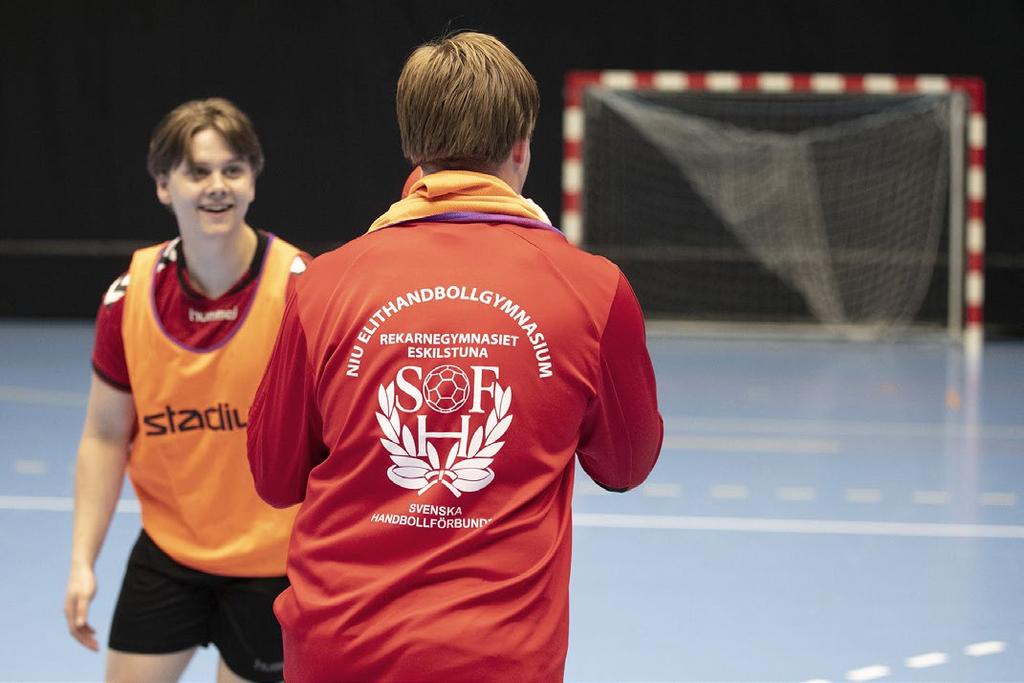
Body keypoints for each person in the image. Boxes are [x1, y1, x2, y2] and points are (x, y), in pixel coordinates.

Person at [248, 31, 663, 682]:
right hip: (500, 657)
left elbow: (274, 475)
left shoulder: (322, 280)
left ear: (413, 148)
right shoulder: (593, 286)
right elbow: (627, 463)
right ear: (522, 148)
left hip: (338, 650)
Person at [64, 98, 308, 683]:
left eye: (232, 169)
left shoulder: (301, 290)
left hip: (271, 567)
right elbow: (103, 437)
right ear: (163, 186)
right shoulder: (127, 299)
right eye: (197, 172)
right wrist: (81, 562)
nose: (216, 186)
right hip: (171, 554)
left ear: (253, 179)